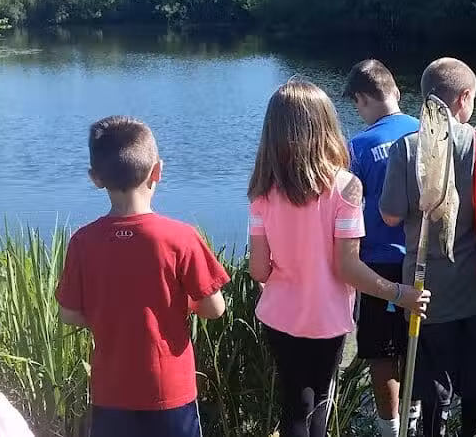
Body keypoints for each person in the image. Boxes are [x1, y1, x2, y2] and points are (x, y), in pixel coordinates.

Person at [246, 80, 430, 437]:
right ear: (325, 126)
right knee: (318, 404)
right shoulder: (345, 187)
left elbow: (258, 268)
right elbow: (346, 266)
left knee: (294, 405)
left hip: (278, 315)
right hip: (326, 318)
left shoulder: (262, 192)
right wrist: (398, 293)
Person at [55, 116, 230, 437]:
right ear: (157, 172)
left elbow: (69, 314)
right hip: (170, 390)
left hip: (111, 391)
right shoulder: (180, 237)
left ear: (95, 178)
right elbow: (214, 309)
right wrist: (180, 303)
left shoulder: (83, 241)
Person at [380, 58, 476, 437]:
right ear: (464, 97)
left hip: (427, 293)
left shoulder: (406, 148)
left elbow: (389, 216)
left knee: (433, 385)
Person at [342, 59, 420, 437]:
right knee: (415, 343)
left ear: (361, 99)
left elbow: (344, 208)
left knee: (379, 353)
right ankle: (418, 417)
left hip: (377, 267)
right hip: (424, 261)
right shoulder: (427, 133)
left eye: (357, 105)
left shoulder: (357, 147)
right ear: (397, 92)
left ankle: (390, 428)